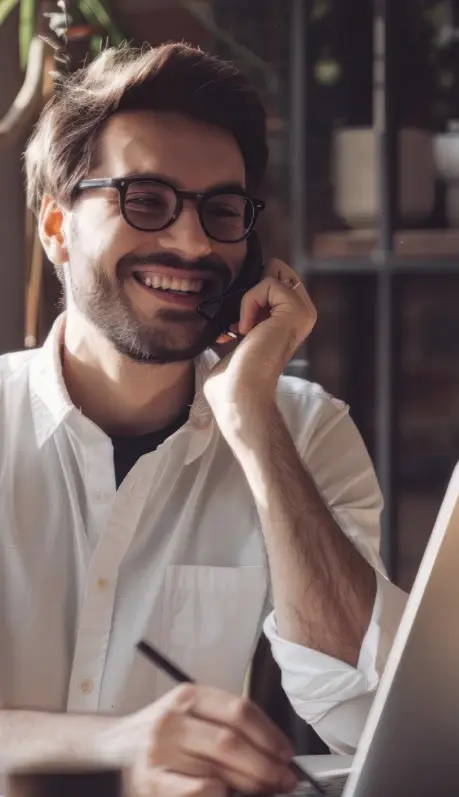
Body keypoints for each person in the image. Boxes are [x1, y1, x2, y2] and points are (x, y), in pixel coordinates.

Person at [0, 42, 407, 795]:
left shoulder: (300, 429)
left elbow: (368, 712)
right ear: (56, 229)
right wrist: (115, 746)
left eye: (221, 210)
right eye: (144, 199)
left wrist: (251, 419)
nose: (192, 243)